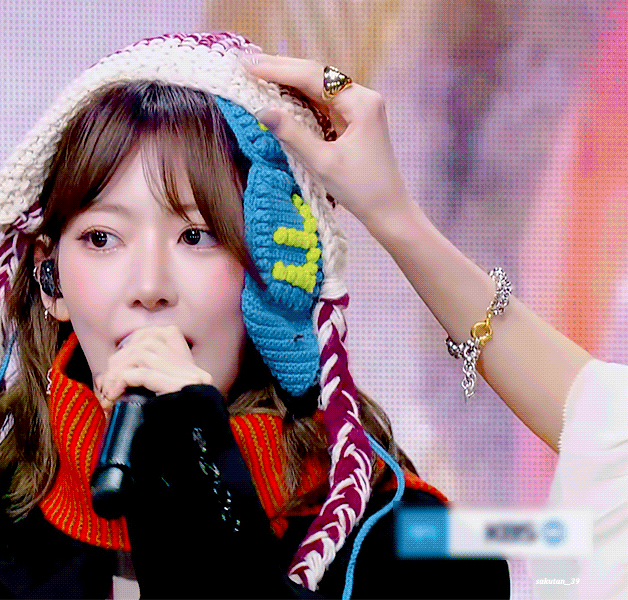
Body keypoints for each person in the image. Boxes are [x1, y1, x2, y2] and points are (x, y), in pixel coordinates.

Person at [0, 33, 509, 599]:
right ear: (50, 281)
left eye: (197, 235)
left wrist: (201, 480)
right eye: (102, 238)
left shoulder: (416, 550)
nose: (148, 287)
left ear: (277, 278)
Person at [244, 53, 628, 600]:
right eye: (115, 236)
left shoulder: (406, 541)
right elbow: (600, 416)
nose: (149, 285)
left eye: (194, 235)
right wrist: (391, 213)